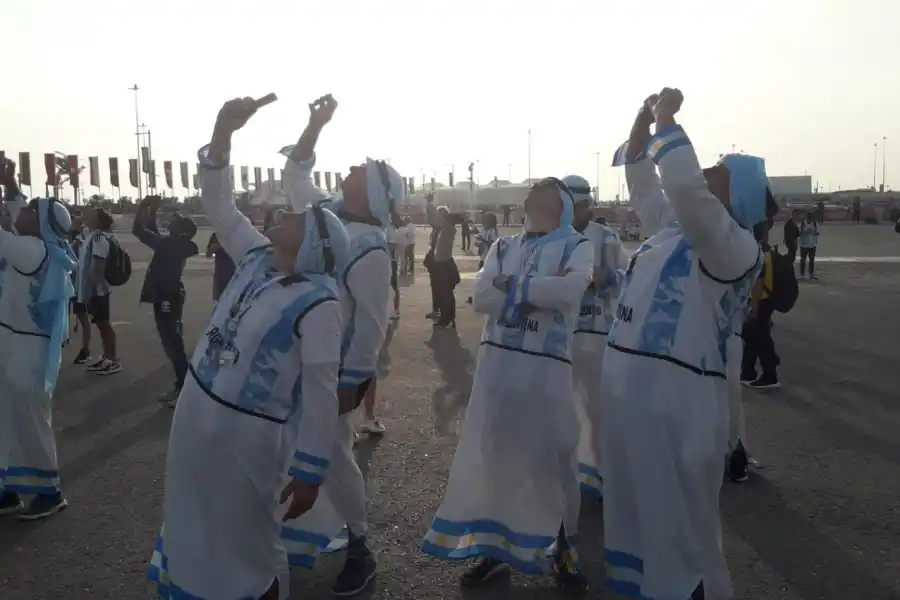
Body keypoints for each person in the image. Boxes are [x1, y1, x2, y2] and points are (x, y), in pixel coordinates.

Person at [146, 96, 349, 600]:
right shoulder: (257, 255)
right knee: (190, 519)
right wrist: (222, 132)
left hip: (248, 437)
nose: (284, 212)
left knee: (248, 545)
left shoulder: (319, 302)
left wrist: (310, 470)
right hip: (195, 413)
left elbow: (322, 393)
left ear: (314, 244)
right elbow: (219, 204)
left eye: (298, 215)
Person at [603, 89, 777, 600]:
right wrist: (641, 129)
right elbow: (646, 189)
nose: (710, 171)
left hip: (676, 408)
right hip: (635, 400)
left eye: (721, 170)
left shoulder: (734, 246)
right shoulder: (675, 231)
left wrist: (664, 122)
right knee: (638, 518)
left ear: (735, 194)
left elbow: (684, 188)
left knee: (677, 533)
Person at [421, 177, 593, 594]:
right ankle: (495, 551)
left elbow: (571, 290)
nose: (535, 191)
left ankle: (562, 547)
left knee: (552, 459)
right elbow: (481, 297)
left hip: (546, 371)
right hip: (498, 368)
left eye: (546, 188)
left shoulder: (576, 245)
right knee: (497, 456)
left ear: (561, 205)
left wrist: (511, 289)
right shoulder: (502, 248)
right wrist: (532, 294)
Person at [280, 94, 398, 596]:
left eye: (358, 169)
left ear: (369, 189)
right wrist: (313, 125)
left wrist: (352, 384)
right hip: (292, 361)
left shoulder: (370, 246)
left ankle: (360, 546)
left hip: (330, 375)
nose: (348, 169)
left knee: (332, 458)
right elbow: (294, 178)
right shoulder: (326, 216)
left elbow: (373, 324)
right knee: (285, 451)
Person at [0, 158, 77, 520]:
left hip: (26, 348)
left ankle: (49, 490)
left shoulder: (35, 251)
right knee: (7, 419)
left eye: (32, 210)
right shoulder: (37, 245)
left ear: (42, 223)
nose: (22, 213)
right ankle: (10, 488)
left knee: (29, 420)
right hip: (12, 341)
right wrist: (10, 183)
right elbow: (15, 213)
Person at [563, 174, 626, 502]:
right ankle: (563, 478)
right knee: (559, 411)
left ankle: (604, 478)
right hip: (556, 339)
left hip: (596, 337)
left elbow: (630, 279)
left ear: (587, 205)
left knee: (598, 411)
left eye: (575, 205)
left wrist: (605, 276)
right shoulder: (548, 238)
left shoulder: (606, 239)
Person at [132, 196, 200, 405]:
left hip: (167, 297)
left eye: (175, 221)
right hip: (171, 295)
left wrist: (144, 206)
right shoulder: (174, 243)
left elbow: (140, 231)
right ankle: (184, 385)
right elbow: (153, 231)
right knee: (172, 341)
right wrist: (151, 211)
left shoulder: (170, 244)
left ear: (179, 230)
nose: (170, 221)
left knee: (172, 343)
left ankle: (184, 387)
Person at [76, 207, 121, 375]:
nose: (87, 215)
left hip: (98, 291)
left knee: (104, 325)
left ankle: (112, 360)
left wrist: (91, 291)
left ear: (98, 221)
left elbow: (98, 268)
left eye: (92, 214)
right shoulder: (92, 235)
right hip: (94, 290)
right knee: (102, 325)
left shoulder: (99, 240)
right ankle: (107, 357)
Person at [424, 199, 459, 328]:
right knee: (444, 292)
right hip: (440, 263)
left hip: (445, 264)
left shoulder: (449, 229)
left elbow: (435, 221)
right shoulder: (442, 228)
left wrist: (430, 206)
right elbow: (433, 222)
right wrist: (428, 206)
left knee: (446, 293)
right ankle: (446, 316)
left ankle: (446, 318)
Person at [69, 215, 94, 363]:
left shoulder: (82, 239)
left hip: (77, 286)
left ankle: (86, 349)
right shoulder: (66, 236)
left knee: (83, 317)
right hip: (68, 284)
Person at [206, 231, 236, 301]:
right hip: (220, 276)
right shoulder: (216, 235)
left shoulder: (238, 235)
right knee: (219, 302)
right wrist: (217, 246)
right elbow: (208, 254)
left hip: (236, 276)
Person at [798, 211, 819, 280]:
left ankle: (811, 274)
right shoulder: (802, 224)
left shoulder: (815, 224)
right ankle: (802, 274)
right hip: (804, 245)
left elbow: (817, 233)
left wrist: (814, 233)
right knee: (803, 260)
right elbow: (798, 233)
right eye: (809, 219)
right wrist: (805, 232)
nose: (810, 220)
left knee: (811, 260)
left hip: (812, 245)